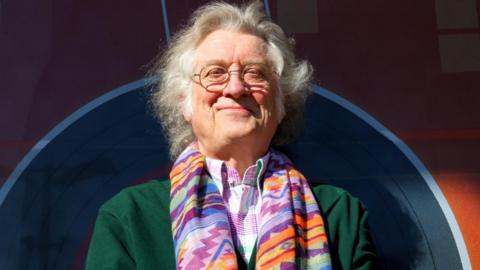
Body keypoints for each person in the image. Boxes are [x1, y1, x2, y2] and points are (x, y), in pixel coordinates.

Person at [86, 1, 378, 269]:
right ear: (183, 102)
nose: (236, 88)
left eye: (255, 73)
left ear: (282, 103)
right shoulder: (128, 218)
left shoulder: (340, 216)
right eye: (215, 73)